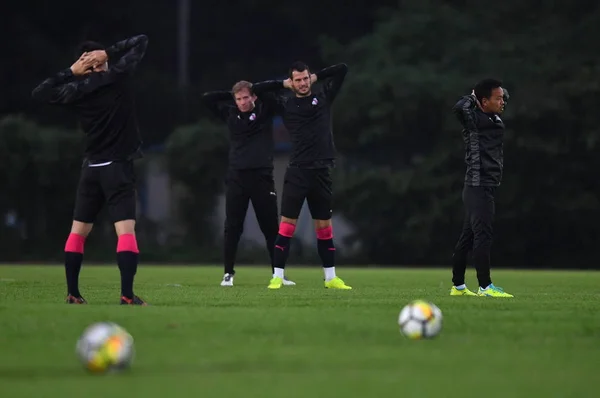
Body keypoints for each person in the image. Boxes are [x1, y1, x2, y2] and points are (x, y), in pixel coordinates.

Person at [31, 34, 149, 305]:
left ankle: (73, 293)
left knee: (78, 232)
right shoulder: (117, 76)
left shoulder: (77, 90)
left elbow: (39, 94)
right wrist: (108, 52)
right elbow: (141, 41)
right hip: (117, 166)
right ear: (100, 62)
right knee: (126, 232)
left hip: (91, 168)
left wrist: (70, 72)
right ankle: (127, 295)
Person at [256, 61, 351, 290]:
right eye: (297, 80)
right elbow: (257, 88)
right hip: (298, 171)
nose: (302, 83)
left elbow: (342, 69)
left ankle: (331, 278)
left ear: (310, 78)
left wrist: (318, 76)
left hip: (321, 172)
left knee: (324, 228)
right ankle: (277, 276)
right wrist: (282, 83)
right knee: (286, 226)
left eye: (305, 78)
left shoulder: (324, 98)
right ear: (293, 82)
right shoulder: (285, 104)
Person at [202, 80, 296, 287]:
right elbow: (207, 98)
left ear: (253, 96)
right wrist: (232, 94)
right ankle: (228, 273)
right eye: (239, 99)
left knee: (271, 228)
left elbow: (267, 91)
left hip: (262, 177)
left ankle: (278, 274)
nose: (243, 102)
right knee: (233, 227)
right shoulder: (230, 114)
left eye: (246, 97)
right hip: (237, 178)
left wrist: (260, 88)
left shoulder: (265, 110)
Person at [449, 78, 514, 298]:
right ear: (483, 102)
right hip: (478, 185)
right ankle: (485, 287)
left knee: (467, 236)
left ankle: (458, 287)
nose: (503, 101)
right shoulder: (474, 120)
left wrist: (495, 93)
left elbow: (502, 95)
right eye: (497, 98)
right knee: (482, 235)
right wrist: (473, 95)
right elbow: (459, 107)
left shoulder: (491, 116)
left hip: (484, 185)